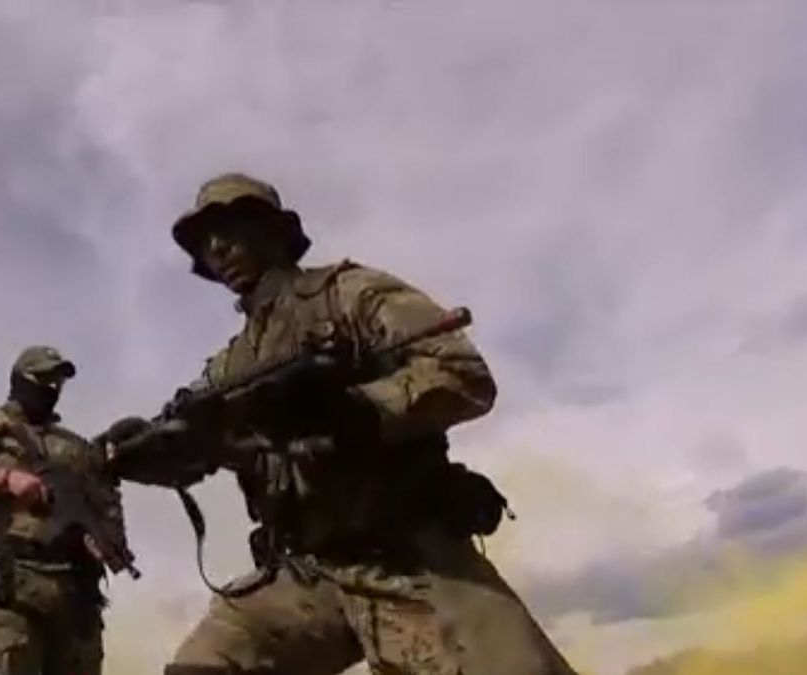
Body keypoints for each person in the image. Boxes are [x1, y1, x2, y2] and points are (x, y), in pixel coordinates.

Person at [133, 173, 578, 674]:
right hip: (306, 573)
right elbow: (202, 446)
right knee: (205, 666)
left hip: (407, 555)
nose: (217, 248)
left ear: (273, 232)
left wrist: (355, 410)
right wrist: (151, 452)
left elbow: (463, 375)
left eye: (231, 228)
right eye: (206, 240)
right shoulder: (229, 365)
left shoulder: (347, 292)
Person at [0, 346, 128, 675]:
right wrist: (3, 480)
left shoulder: (76, 448)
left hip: (75, 599)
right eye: (43, 379)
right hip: (15, 592)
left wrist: (105, 542)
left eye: (58, 382)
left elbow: (105, 501)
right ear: (20, 380)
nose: (52, 389)